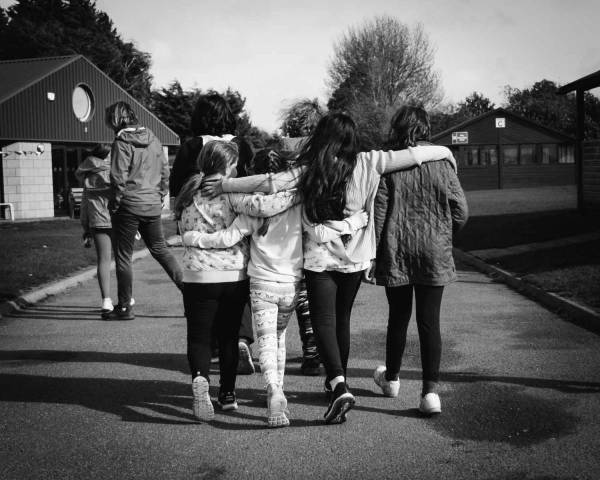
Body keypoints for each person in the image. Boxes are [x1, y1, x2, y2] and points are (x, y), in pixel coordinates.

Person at [201, 113, 456, 424]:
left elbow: (271, 183)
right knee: (342, 319)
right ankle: (338, 381)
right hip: (354, 257)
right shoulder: (370, 161)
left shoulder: (311, 168)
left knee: (324, 321)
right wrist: (446, 151)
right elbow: (414, 155)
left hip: (319, 257)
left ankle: (338, 384)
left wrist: (225, 184)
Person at [184, 148, 367, 427]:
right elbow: (320, 232)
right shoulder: (299, 203)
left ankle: (273, 389)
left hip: (260, 283)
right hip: (290, 284)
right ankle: (274, 395)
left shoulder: (249, 208)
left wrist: (192, 238)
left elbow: (227, 238)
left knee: (267, 342)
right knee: (279, 338)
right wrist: (354, 222)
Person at [175, 141, 297, 421]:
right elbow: (263, 207)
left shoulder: (187, 192)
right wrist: (295, 194)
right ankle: (227, 394)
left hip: (196, 275)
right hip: (232, 274)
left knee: (199, 337)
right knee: (229, 335)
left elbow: (180, 224)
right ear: (229, 165)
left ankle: (200, 378)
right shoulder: (231, 194)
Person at [371, 106, 468, 415]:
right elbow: (461, 211)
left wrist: (373, 254)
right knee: (429, 322)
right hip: (434, 252)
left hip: (397, 249)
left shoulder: (391, 164)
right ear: (426, 128)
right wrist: (443, 234)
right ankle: (430, 394)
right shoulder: (443, 163)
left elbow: (379, 213)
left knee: (398, 318)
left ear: (400, 128)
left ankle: (392, 379)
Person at [169, 93, 256, 369]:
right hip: (237, 219)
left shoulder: (192, 146)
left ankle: (215, 346)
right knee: (238, 281)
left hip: (200, 223)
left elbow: (176, 187)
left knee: (207, 289)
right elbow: (254, 179)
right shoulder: (241, 145)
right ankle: (240, 337)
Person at [105, 101, 183, 320]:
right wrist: (160, 195)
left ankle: (124, 307)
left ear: (115, 120)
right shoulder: (154, 139)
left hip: (129, 205)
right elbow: (165, 172)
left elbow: (118, 178)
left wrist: (115, 204)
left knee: (123, 256)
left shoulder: (121, 142)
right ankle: (191, 296)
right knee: (160, 250)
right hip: (151, 204)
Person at [76, 143, 115, 317]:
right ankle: (126, 298)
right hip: (117, 220)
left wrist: (85, 228)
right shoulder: (117, 172)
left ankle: (106, 300)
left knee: (103, 260)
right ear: (107, 155)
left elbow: (84, 205)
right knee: (123, 259)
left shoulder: (88, 176)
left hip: (97, 221)